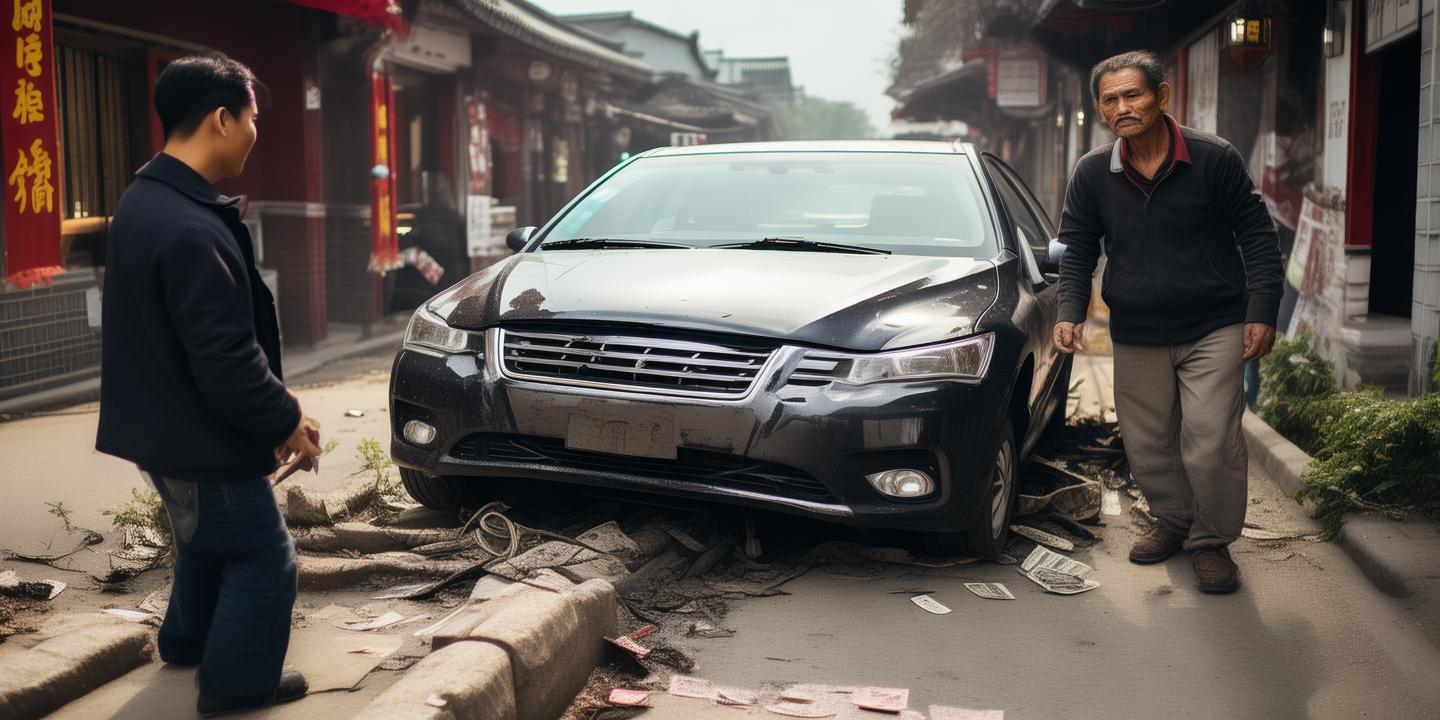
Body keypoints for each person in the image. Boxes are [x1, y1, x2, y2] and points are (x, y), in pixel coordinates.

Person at [96, 53, 321, 714]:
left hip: (163, 429)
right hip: (200, 434)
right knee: (260, 553)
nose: (256, 133)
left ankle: (188, 640)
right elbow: (226, 360)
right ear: (222, 119)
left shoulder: (146, 199)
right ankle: (235, 685)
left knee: (203, 536)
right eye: (252, 118)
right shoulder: (190, 225)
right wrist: (286, 421)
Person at [1052, 51, 1283, 594]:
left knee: (1210, 439)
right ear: (1100, 109)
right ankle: (1173, 521)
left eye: (1133, 95)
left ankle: (1211, 541)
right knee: (1147, 442)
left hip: (1213, 325)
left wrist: (1262, 311)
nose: (1122, 108)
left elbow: (1258, 236)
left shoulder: (1213, 158)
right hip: (1136, 331)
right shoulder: (1093, 173)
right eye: (1110, 99)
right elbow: (1078, 247)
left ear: (1162, 96)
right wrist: (1070, 310)